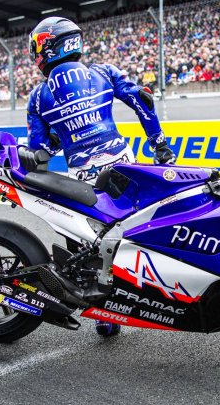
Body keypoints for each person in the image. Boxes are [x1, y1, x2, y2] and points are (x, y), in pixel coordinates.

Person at [26, 17, 176, 337]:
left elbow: (39, 150)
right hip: (123, 166)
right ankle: (155, 293)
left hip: (81, 177)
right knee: (135, 232)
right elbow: (143, 100)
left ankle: (105, 314)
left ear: (49, 46)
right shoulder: (103, 71)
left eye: (36, 47)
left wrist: (56, 142)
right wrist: (160, 144)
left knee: (84, 246)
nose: (35, 54)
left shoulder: (39, 96)